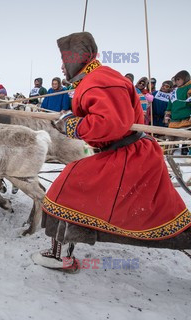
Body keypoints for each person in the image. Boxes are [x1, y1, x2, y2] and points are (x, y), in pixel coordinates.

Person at [32, 32, 190, 270]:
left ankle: (60, 256)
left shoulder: (99, 80)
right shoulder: (97, 78)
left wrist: (71, 124)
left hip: (128, 156)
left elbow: (110, 123)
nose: (62, 68)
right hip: (124, 153)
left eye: (65, 62)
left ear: (76, 59)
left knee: (63, 190)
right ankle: (65, 248)